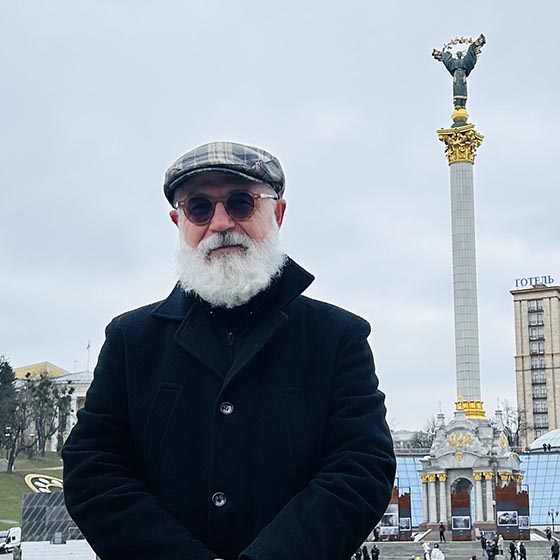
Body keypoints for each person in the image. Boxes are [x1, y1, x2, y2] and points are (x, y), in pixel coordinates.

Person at [61, 141, 397, 560]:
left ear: (277, 214)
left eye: (241, 202)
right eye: (199, 207)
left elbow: (361, 468)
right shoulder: (131, 340)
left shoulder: (336, 337)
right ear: (178, 221)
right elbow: (93, 470)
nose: (220, 222)